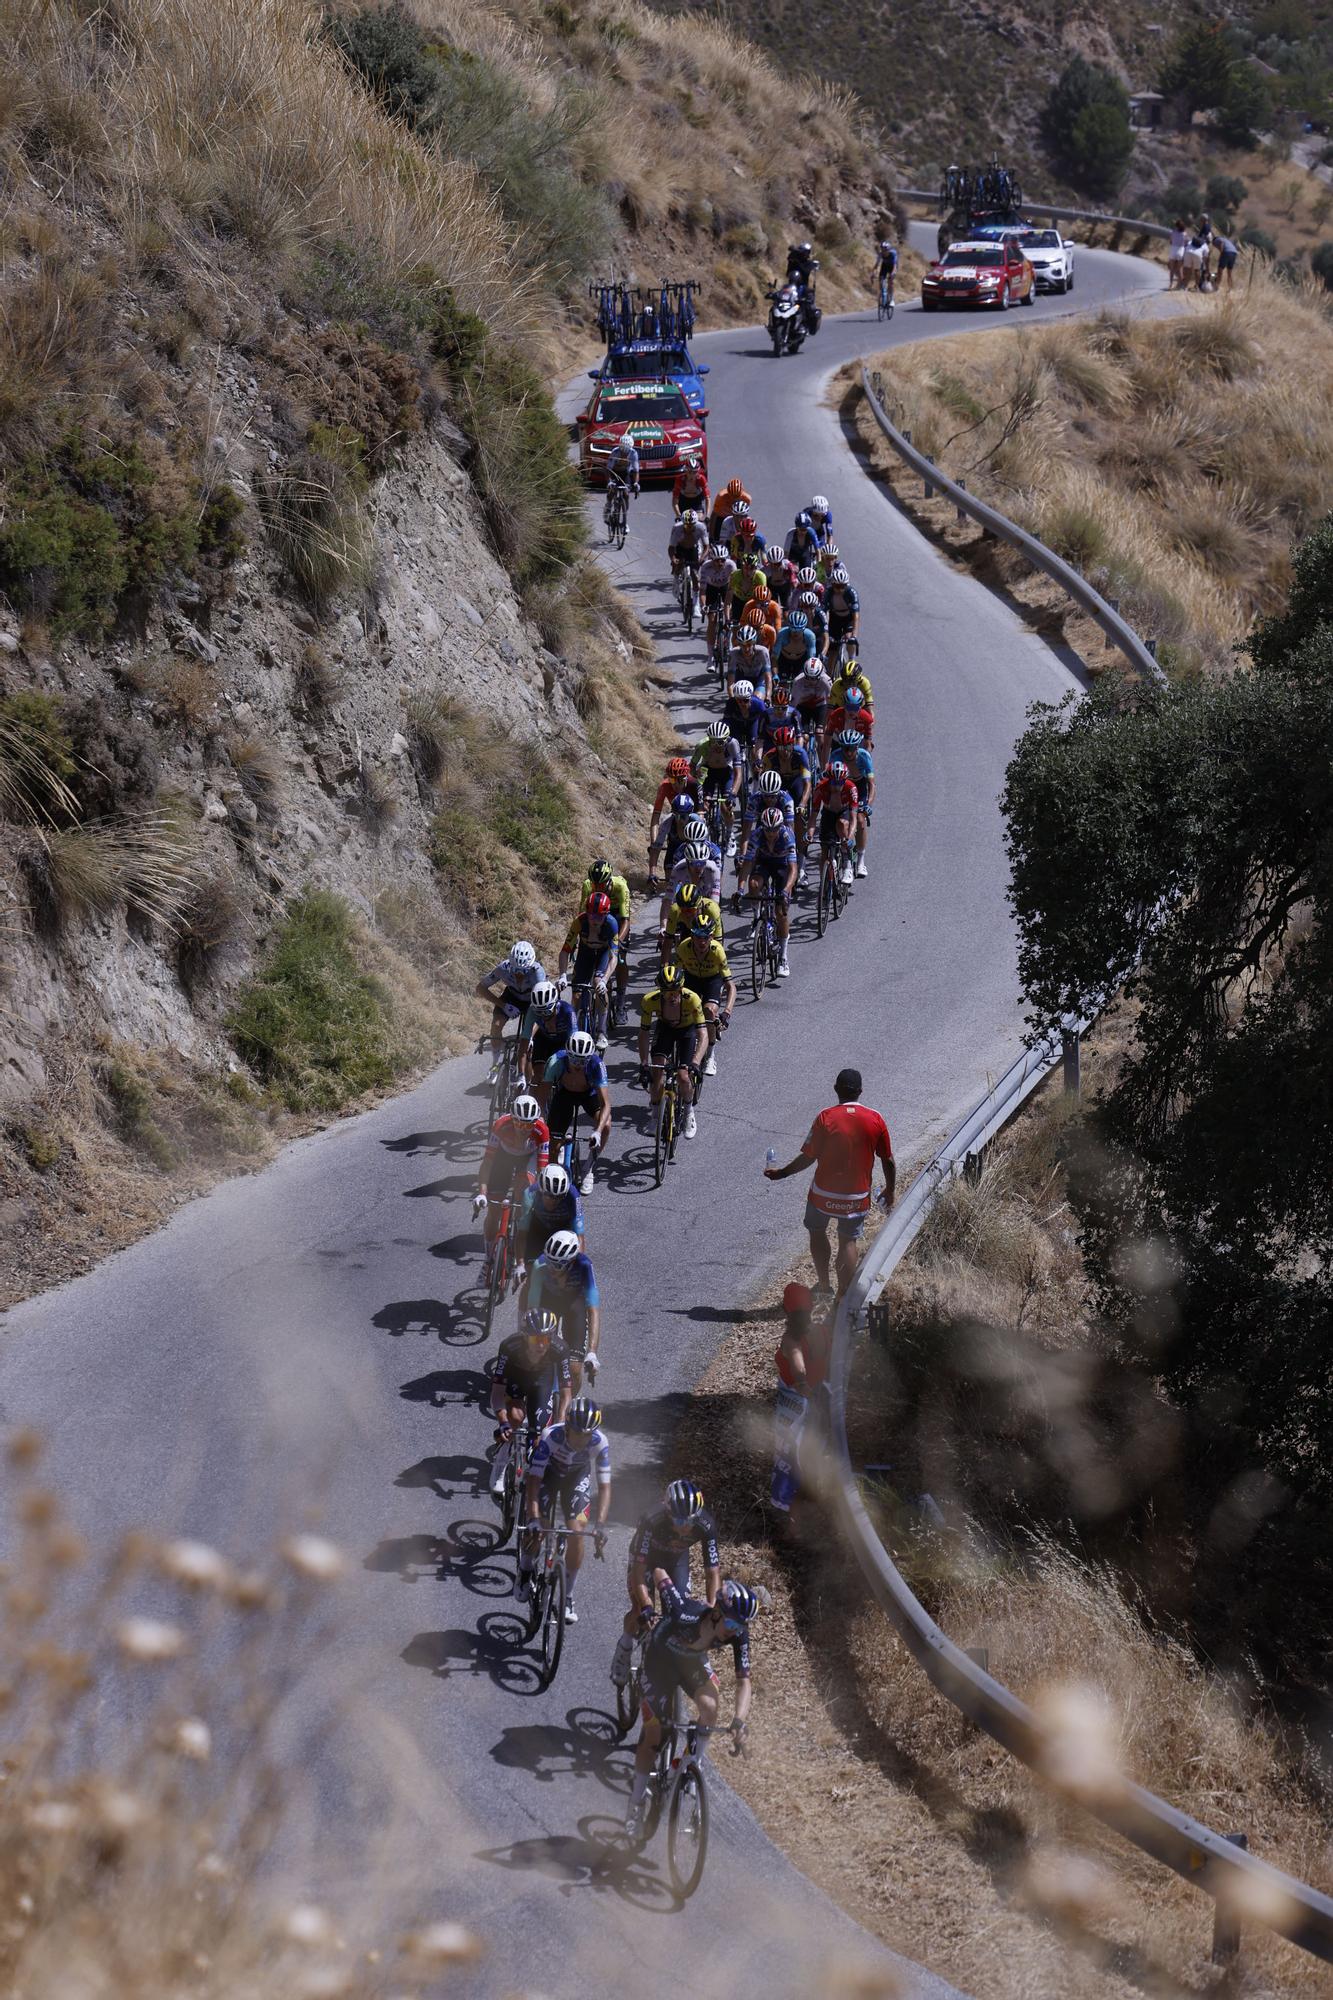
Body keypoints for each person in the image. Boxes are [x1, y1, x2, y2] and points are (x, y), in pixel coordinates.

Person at [624, 1575, 756, 1840]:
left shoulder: (737, 1633)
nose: (734, 1630)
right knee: (653, 1736)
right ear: (717, 1613)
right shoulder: (686, 1613)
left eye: (740, 1625)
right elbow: (661, 1574)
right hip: (659, 1662)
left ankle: (692, 1763)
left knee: (710, 1708)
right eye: (731, 1622)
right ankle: (635, 1804)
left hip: (691, 1663)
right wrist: (648, 1598)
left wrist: (740, 1720)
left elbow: (744, 1681)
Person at [763, 1067, 895, 1296]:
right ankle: (844, 1295)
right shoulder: (876, 1119)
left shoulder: (825, 1117)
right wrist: (890, 1190)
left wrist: (782, 1173)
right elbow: (888, 1160)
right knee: (848, 1242)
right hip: (856, 1197)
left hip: (823, 1194)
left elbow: (808, 1157)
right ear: (861, 1091)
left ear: (836, 1089)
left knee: (816, 1231)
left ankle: (824, 1287)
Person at [611, 1479, 721, 1687]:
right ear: (668, 1512)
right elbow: (639, 1570)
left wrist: (712, 1609)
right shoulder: (652, 1520)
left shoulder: (706, 1525)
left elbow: (713, 1573)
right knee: (639, 1609)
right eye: (680, 1522)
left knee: (681, 1613)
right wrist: (647, 1606)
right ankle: (624, 1649)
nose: (686, 1527)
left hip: (676, 1561)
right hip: (645, 1560)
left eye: (690, 1521)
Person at [521, 1396, 610, 1625]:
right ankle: (525, 1568)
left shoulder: (600, 1442)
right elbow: (533, 1479)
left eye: (587, 1434)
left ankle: (568, 1596)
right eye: (578, 1433)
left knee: (578, 1532)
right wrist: (533, 1517)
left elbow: (604, 1487)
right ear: (568, 1427)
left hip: (576, 1477)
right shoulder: (551, 1436)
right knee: (538, 1528)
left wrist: (600, 1525)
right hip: (547, 1476)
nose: (582, 1439)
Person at [487, 1309, 572, 1498]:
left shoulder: (560, 1348)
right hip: (515, 1379)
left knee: (540, 1432)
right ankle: (501, 1461)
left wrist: (559, 1424)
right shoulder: (510, 1346)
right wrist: (503, 1422)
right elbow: (497, 1392)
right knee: (515, 1417)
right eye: (536, 1339)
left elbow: (566, 1394)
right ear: (525, 1337)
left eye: (546, 1339)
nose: (541, 1345)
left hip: (542, 1381)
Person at [771, 1281, 831, 1517]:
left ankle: (788, 1511)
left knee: (789, 1457)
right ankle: (816, 1499)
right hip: (822, 1398)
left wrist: (804, 1386)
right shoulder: (823, 1332)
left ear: (786, 1310)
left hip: (795, 1407)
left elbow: (799, 1370)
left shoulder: (791, 1341)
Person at [473, 1093, 550, 1275]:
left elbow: (541, 1171)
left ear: (535, 1121)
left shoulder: (541, 1130)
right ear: (512, 1120)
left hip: (528, 1159)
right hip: (504, 1158)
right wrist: (482, 1193)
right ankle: (487, 1260)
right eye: (519, 1124)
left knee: (522, 1196)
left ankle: (518, 1241)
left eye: (528, 1124)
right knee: (493, 1211)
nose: (524, 1129)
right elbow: (487, 1163)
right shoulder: (501, 1125)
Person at [638, 962, 708, 1140]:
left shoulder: (692, 999)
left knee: (684, 1076)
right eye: (666, 992)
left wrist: (696, 1062)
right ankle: (655, 1116)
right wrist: (644, 1063)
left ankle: (689, 1112)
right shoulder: (649, 1001)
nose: (670, 996)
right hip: (665, 1029)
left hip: (687, 1031)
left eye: (675, 991)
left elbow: (703, 1034)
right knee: (656, 1072)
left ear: (682, 988)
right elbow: (644, 1034)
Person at [524, 1230, 601, 1387]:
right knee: (536, 1359)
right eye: (550, 1261)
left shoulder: (584, 1265)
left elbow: (593, 1310)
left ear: (571, 1262)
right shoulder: (540, 1264)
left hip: (574, 1304)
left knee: (574, 1370)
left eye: (558, 1264)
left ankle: (565, 1409)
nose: (551, 1268)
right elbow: (532, 1308)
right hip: (549, 1302)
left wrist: (592, 1352)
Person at [540, 1030, 611, 1196]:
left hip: (589, 1095)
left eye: (583, 1060)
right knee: (553, 1146)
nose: (578, 1064)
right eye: (574, 1059)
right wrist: (542, 1119)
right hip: (564, 1094)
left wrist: (598, 1132)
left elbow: (606, 1104)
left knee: (607, 1125)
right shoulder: (556, 1061)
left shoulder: (596, 1064)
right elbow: (542, 1097)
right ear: (567, 1054)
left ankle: (588, 1169)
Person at [674, 915, 735, 1078]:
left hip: (712, 980)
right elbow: (675, 978)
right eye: (698, 937)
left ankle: (710, 1055)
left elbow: (731, 986)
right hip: (691, 978)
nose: (702, 942)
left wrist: (727, 1012)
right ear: (691, 936)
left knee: (709, 1012)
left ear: (712, 937)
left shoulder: (717, 951)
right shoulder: (683, 948)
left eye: (706, 937)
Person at [741, 805, 798, 978]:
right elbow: (748, 863)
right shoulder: (757, 834)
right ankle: (757, 917)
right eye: (767, 829)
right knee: (753, 884)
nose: (771, 833)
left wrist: (786, 890)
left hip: (782, 866)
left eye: (774, 829)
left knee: (781, 913)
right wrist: (739, 889)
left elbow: (793, 868)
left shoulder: (787, 836)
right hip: (764, 863)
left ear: (780, 827)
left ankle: (783, 957)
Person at [558, 892, 619, 1049]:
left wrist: (605, 980)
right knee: (577, 993)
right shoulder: (579, 921)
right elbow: (565, 951)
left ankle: (602, 1032)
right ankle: (573, 1030)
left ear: (606, 915)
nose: (594, 921)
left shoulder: (611, 924)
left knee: (598, 985)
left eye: (599, 917)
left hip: (603, 954)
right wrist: (563, 975)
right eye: (592, 916)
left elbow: (614, 958)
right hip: (585, 953)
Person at [476, 940, 547, 1066]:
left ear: (530, 966)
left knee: (528, 1036)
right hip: (511, 997)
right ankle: (495, 1063)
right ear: (510, 964)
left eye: (523, 971)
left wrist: (530, 1035)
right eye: (515, 970)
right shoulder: (503, 967)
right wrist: (503, 1005)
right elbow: (480, 988)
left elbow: (542, 1002)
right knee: (496, 1026)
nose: (519, 974)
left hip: (532, 1000)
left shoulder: (537, 972)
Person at [583, 857, 632, 1025]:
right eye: (595, 885)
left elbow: (626, 920)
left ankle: (620, 1001)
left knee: (620, 958)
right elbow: (582, 917)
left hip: (617, 915)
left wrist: (618, 942)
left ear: (609, 880)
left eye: (602, 885)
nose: (598, 888)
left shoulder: (621, 886)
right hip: (597, 913)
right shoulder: (588, 886)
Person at [516, 1160, 584, 1281]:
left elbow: (579, 1237)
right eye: (548, 1195)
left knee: (563, 1275)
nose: (553, 1201)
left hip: (562, 1232)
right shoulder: (530, 1193)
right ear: (541, 1191)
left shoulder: (573, 1196)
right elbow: (522, 1234)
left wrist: (578, 1266)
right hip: (538, 1229)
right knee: (531, 1276)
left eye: (558, 1197)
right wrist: (520, 1264)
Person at [831, 728, 875, 879]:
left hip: (860, 787)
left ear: (857, 747)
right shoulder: (836, 756)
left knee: (861, 820)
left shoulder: (864, 756)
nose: (848, 752)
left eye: (851, 749)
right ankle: (845, 858)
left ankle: (861, 861)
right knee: (842, 821)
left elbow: (871, 785)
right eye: (845, 748)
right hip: (842, 788)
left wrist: (868, 804)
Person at [523, 980, 577, 1094]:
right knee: (538, 1076)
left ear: (555, 1004)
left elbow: (573, 1041)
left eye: (546, 1011)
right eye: (539, 1012)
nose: (543, 1015)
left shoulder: (567, 1011)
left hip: (562, 1042)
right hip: (543, 1040)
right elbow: (525, 1039)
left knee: (559, 1073)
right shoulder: (532, 1010)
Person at [811, 758, 857, 885]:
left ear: (845, 780)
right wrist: (809, 834)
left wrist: (850, 837)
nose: (836, 786)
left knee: (842, 824)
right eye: (833, 782)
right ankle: (824, 884)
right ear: (828, 780)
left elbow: (853, 817)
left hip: (844, 812)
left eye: (840, 782)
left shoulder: (851, 788)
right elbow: (813, 815)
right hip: (828, 813)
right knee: (825, 851)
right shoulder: (820, 787)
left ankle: (847, 864)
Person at [700, 543, 737, 660]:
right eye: (716, 561)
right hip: (711, 589)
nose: (719, 563)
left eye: (722, 560)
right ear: (711, 560)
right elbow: (702, 591)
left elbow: (734, 589)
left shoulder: (731, 566)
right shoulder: (706, 567)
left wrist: (729, 607)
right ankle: (710, 656)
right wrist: (703, 606)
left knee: (730, 617)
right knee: (712, 621)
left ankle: (728, 641)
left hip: (727, 587)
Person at [823, 567, 860, 666]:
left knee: (849, 639)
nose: (839, 589)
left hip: (848, 619)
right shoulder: (828, 593)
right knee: (832, 652)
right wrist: (826, 632)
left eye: (842, 586)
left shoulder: (851, 592)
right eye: (837, 586)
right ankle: (830, 676)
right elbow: (825, 613)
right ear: (832, 584)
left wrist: (854, 636)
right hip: (834, 619)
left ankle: (851, 661)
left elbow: (856, 616)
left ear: (846, 585)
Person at [669, 508, 707, 586]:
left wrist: (702, 558)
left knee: (695, 575)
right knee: (678, 566)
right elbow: (671, 547)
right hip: (680, 547)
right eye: (686, 525)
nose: (689, 527)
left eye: (691, 525)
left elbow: (706, 546)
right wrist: (673, 559)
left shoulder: (701, 527)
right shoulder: (677, 528)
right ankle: (676, 578)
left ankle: (696, 597)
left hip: (693, 547)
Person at [606, 434, 640, 499]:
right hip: (614, 473)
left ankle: (625, 505)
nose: (624, 454)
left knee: (626, 494)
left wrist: (636, 483)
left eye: (626, 453)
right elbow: (608, 469)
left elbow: (636, 471)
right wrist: (609, 482)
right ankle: (609, 504)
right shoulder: (615, 452)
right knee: (612, 491)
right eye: (622, 452)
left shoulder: (633, 453)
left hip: (625, 473)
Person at [873, 237, 898, 309]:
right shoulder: (880, 254)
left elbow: (894, 266)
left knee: (890, 281)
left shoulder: (893, 254)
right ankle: (883, 294)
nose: (883, 251)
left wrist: (892, 274)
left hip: (892, 266)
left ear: (888, 250)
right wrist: (874, 272)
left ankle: (892, 299)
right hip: (885, 266)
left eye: (885, 250)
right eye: (882, 250)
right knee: (881, 280)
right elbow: (877, 265)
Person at [1168, 218, 1187, 291]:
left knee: (1172, 269)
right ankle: (1181, 285)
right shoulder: (1184, 234)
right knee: (1180, 269)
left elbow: (1170, 241)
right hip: (1180, 251)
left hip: (1173, 250)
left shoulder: (1173, 232)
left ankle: (1170, 284)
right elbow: (1185, 243)